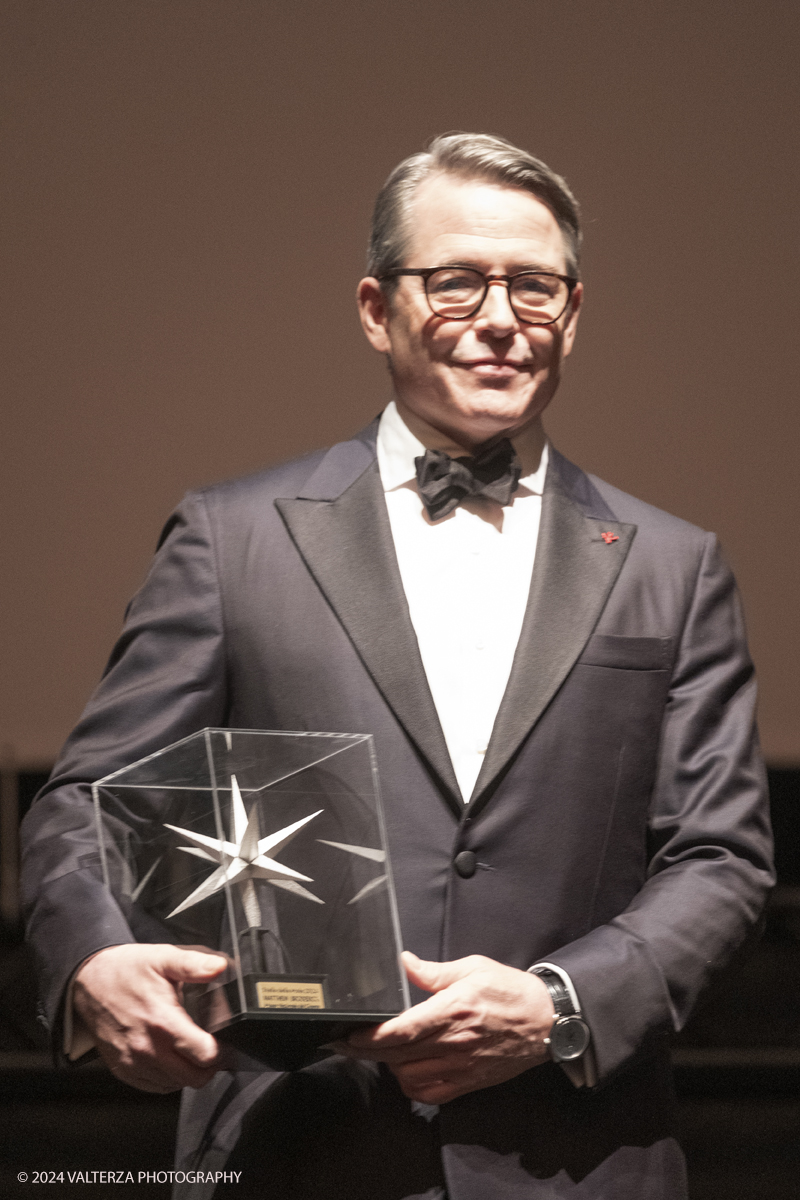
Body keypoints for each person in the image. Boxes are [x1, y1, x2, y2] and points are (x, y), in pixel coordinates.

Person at [21, 133, 773, 1199]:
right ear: (376, 310)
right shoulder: (231, 539)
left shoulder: (672, 564)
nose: (502, 317)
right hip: (291, 1144)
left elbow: (720, 857)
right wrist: (93, 960)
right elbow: (88, 805)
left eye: (535, 286)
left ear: (573, 311)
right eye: (457, 281)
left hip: (575, 1160)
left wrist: (558, 1003)